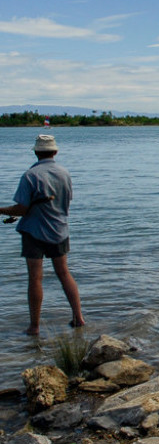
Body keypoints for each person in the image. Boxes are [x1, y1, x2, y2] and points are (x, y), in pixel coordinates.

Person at [0, 135, 84, 335]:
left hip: (34, 232)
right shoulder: (65, 173)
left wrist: (1, 210)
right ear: (55, 152)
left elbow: (21, 209)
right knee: (64, 273)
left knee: (35, 278)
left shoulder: (30, 175)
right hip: (60, 229)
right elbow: (66, 201)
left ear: (36, 152)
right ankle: (78, 317)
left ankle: (35, 326)